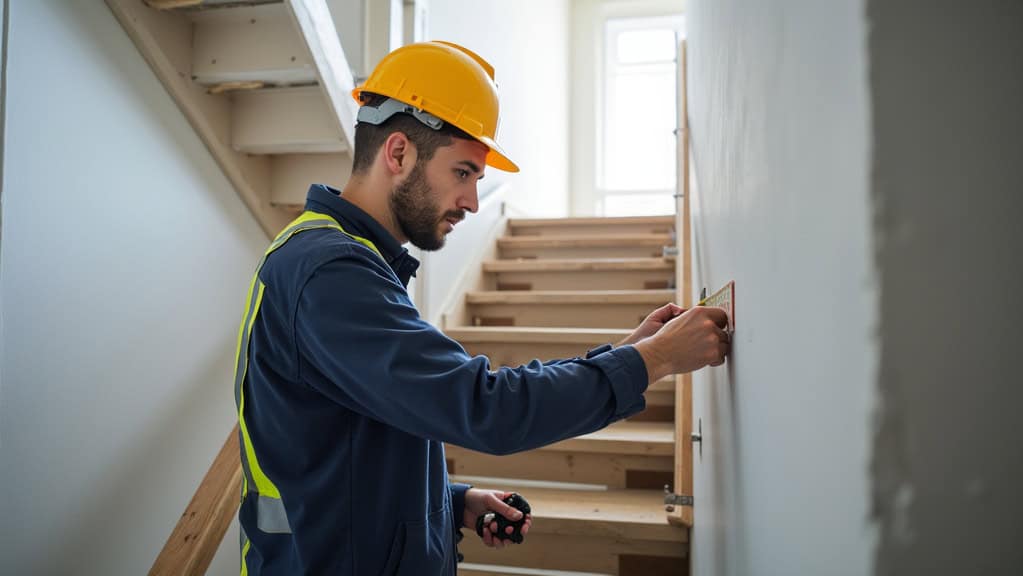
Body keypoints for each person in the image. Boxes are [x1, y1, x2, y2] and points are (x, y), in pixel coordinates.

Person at [233, 40, 730, 575]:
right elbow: (486, 407)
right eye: (464, 173)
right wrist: (651, 361)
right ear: (397, 153)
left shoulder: (345, 262)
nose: (472, 202)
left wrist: (449, 502)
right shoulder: (330, 273)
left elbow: (351, 447)